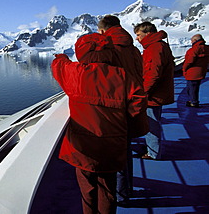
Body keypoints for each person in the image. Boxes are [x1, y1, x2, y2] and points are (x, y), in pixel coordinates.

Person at [51, 33, 148, 214]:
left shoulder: (76, 72)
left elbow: (58, 67)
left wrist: (61, 57)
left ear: (82, 52)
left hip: (83, 147)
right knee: (108, 190)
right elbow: (139, 102)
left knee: (87, 190)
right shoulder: (122, 75)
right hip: (112, 144)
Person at [98, 15, 146, 205]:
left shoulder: (109, 49)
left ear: (103, 31)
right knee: (124, 149)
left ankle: (120, 195)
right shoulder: (132, 48)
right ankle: (126, 189)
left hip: (115, 107)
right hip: (131, 104)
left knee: (115, 152)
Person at [134, 21, 175, 160]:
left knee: (151, 123)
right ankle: (152, 149)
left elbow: (153, 74)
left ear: (148, 34)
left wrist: (143, 93)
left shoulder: (154, 48)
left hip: (153, 95)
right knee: (152, 122)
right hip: (158, 92)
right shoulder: (160, 46)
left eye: (139, 35)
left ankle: (153, 153)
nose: (137, 38)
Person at [182, 34, 209, 108]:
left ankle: (193, 102)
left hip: (192, 72)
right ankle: (193, 100)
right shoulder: (207, 48)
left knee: (191, 88)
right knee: (194, 87)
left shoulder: (193, 50)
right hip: (201, 71)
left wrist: (184, 69)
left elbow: (189, 61)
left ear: (195, 40)